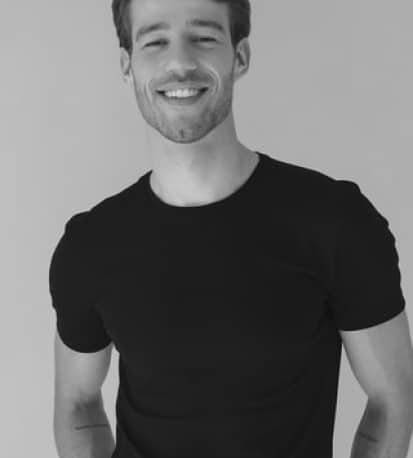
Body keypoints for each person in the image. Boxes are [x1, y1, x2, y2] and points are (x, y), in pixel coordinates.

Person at [49, 1, 411, 457]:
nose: (179, 61)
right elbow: (77, 403)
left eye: (203, 38)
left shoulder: (335, 223)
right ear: (128, 65)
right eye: (155, 41)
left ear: (240, 57)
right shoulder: (90, 246)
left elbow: (392, 399)